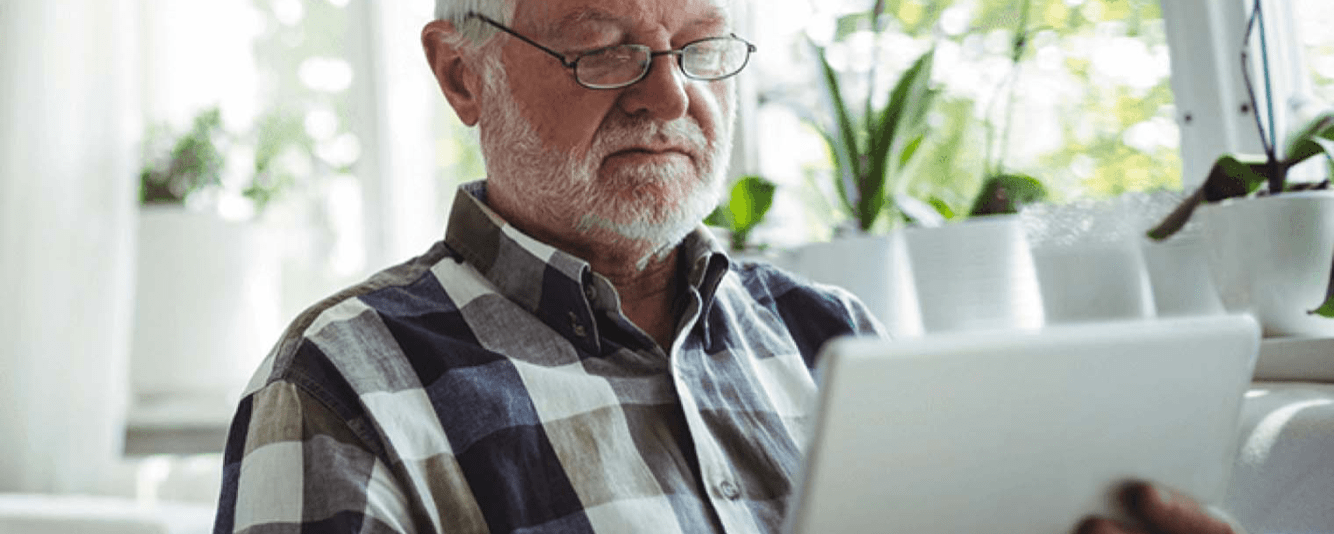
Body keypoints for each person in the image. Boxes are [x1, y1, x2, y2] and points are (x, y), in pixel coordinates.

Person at [211, 0, 1241, 532]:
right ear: (459, 74)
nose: (667, 98)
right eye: (604, 48)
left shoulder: (827, 333)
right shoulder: (343, 382)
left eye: (701, 48)